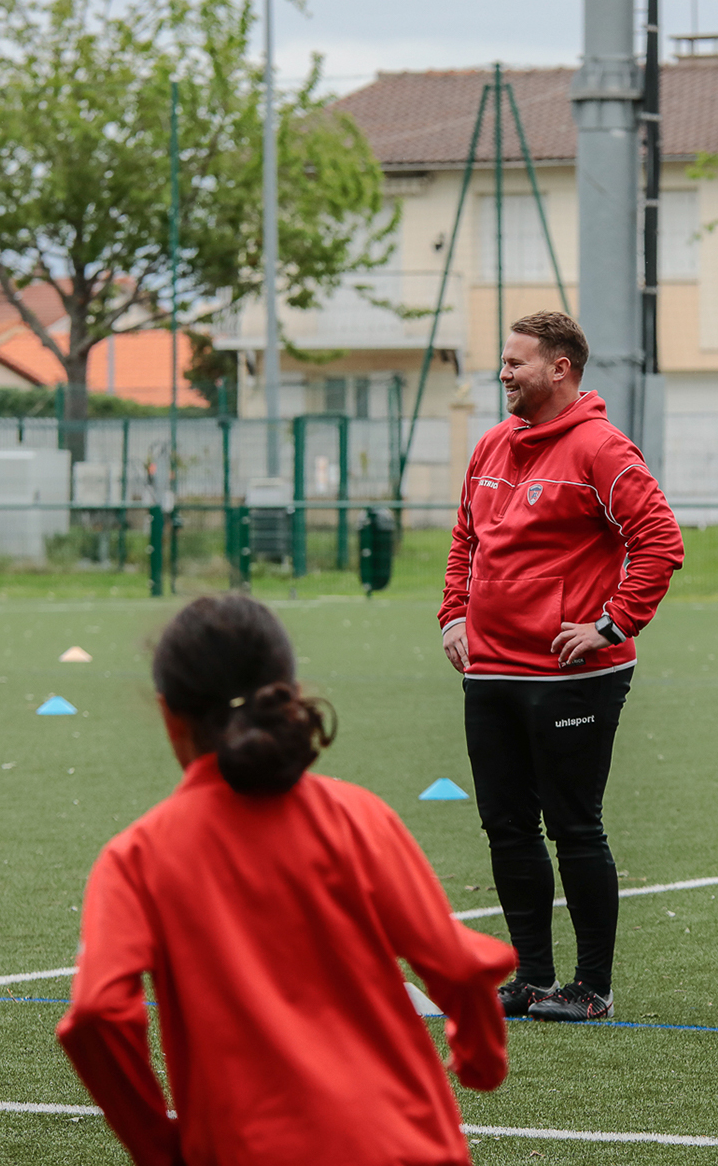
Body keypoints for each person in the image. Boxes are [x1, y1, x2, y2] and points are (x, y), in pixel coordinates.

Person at [58, 595, 516, 1166]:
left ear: (169, 714)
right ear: (287, 693)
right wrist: (479, 1058)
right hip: (407, 1143)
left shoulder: (137, 857)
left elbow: (98, 1012)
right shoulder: (357, 817)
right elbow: (458, 965)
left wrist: (156, 1144)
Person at [439, 311, 684, 1023]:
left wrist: (611, 623)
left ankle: (592, 987)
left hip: (573, 676)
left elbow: (660, 541)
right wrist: (454, 613)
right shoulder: (490, 446)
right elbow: (465, 540)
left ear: (561, 369)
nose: (504, 372)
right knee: (506, 826)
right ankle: (534, 978)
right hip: (489, 672)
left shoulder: (601, 449)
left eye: (516, 362)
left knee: (574, 826)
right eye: (503, 361)